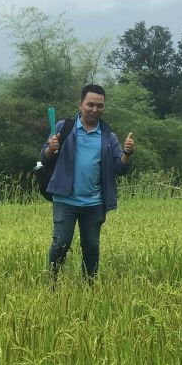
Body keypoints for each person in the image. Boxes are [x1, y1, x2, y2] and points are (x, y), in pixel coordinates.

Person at [42, 83, 134, 280]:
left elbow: (120, 168)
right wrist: (51, 148)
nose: (94, 109)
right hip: (65, 198)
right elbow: (45, 157)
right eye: (90, 104)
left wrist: (127, 153)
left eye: (99, 106)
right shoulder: (63, 128)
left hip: (95, 202)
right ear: (80, 104)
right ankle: (52, 282)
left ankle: (89, 286)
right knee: (61, 243)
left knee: (91, 247)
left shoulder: (109, 136)